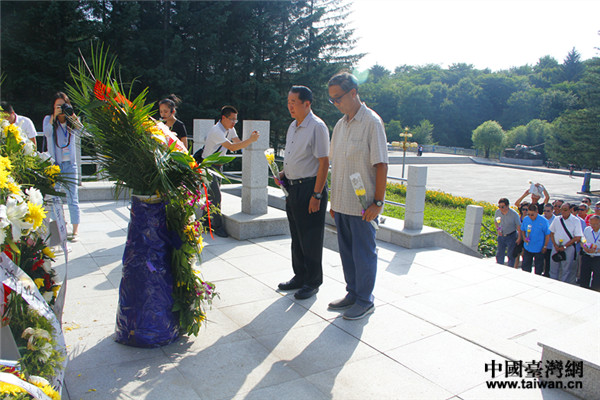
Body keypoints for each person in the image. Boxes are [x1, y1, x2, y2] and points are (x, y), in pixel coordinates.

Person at [327, 72, 388, 320]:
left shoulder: (372, 122)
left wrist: (378, 203)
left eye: (338, 98)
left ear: (353, 93)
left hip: (363, 207)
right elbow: (336, 166)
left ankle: (365, 300)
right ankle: (352, 293)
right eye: (331, 100)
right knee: (347, 253)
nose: (335, 104)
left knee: (364, 254)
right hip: (341, 203)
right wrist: (333, 200)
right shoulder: (340, 126)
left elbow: (381, 164)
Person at [276, 86, 329, 300]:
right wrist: (282, 173)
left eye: (294, 102)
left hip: (310, 188)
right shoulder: (292, 126)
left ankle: (313, 281)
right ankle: (299, 276)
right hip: (292, 187)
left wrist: (316, 195)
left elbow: (324, 162)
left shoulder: (317, 127)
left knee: (311, 238)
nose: (290, 106)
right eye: (288, 101)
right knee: (297, 236)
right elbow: (295, 157)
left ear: (307, 104)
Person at [201, 106, 259, 237]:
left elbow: (238, 142)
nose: (234, 122)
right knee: (216, 196)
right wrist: (251, 140)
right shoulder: (216, 131)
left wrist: (250, 140)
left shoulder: (230, 129)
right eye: (231, 119)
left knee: (211, 195)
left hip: (218, 166)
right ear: (223, 118)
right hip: (208, 166)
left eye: (235, 120)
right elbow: (232, 147)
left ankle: (205, 220)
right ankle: (217, 226)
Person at [42, 92, 81, 242]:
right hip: (55, 165)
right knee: (55, 199)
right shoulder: (48, 119)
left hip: (70, 165)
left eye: (62, 106)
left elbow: (81, 130)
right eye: (57, 106)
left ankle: (75, 231)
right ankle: (58, 229)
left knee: (73, 198)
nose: (60, 109)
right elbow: (47, 133)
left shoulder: (71, 121)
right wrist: (53, 117)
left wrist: (72, 116)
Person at [549, 202, 582, 284]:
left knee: (566, 269)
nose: (563, 212)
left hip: (568, 248)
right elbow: (551, 233)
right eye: (561, 209)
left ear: (570, 210)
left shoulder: (576, 221)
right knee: (553, 267)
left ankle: (563, 285)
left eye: (565, 210)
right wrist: (555, 245)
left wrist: (565, 246)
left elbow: (578, 237)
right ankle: (552, 284)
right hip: (556, 247)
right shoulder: (557, 219)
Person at [520, 203, 550, 275]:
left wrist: (545, 246)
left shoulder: (544, 221)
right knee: (525, 268)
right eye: (529, 214)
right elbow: (523, 230)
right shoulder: (526, 219)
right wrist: (524, 238)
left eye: (532, 215)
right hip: (528, 247)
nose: (530, 216)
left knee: (538, 269)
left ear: (537, 212)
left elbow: (547, 235)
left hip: (539, 248)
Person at [494, 198, 521, 267]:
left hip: (511, 235)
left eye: (502, 207)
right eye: (499, 206)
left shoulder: (514, 214)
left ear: (507, 206)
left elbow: (518, 226)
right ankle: (499, 266)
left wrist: (519, 237)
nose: (501, 208)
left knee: (511, 254)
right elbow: (496, 222)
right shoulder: (497, 212)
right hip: (501, 236)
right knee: (500, 253)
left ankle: (510, 268)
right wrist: (498, 229)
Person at [580, 215, 600, 290]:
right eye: (591, 224)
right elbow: (583, 241)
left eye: (595, 224)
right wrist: (584, 247)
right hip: (587, 256)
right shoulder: (587, 229)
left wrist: (595, 250)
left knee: (597, 280)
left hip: (598, 257)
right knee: (584, 277)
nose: (593, 226)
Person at [542, 203, 555, 277]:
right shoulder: (541, 218)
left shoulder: (556, 220)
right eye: (544, 211)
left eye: (548, 211)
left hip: (551, 245)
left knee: (548, 263)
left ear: (552, 211)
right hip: (541, 245)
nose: (546, 213)